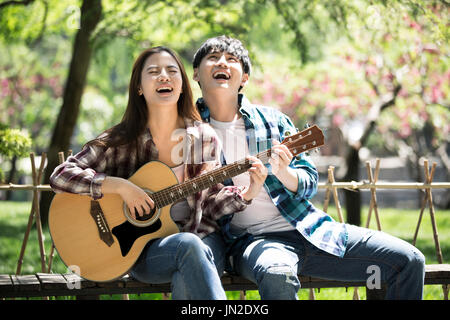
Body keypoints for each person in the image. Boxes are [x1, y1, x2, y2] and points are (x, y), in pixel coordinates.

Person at [191, 35, 426, 300]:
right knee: (277, 274)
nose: (222, 62)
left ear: (244, 77)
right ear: (196, 73)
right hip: (254, 241)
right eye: (213, 57)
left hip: (310, 228)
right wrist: (245, 193)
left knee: (408, 260)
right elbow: (198, 205)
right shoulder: (189, 131)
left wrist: (284, 173)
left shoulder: (273, 121)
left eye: (231, 59)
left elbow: (309, 179)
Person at [49, 46, 267, 300]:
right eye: (153, 72)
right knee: (189, 248)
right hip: (142, 251)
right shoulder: (122, 139)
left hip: (202, 237)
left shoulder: (203, 137)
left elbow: (209, 204)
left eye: (172, 71)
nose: (164, 76)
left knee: (191, 255)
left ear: (183, 85)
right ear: (139, 87)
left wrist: (247, 192)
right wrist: (121, 187)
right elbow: (61, 175)